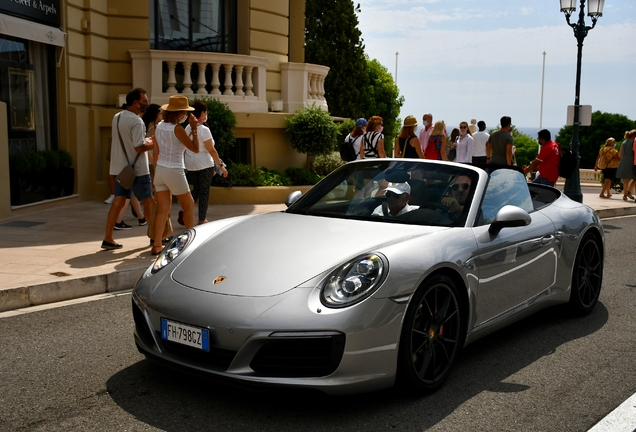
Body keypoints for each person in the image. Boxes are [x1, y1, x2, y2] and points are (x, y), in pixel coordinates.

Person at [101, 88, 154, 250]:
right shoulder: (137, 121)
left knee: (118, 201)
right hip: (137, 169)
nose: (147, 104)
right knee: (149, 202)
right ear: (135, 103)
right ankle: (155, 237)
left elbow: (129, 140)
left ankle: (108, 238)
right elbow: (139, 147)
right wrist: (152, 142)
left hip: (120, 168)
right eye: (144, 101)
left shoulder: (117, 117)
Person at [151, 95, 200, 255]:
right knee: (189, 206)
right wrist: (194, 128)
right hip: (174, 169)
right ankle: (190, 243)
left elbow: (156, 153)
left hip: (161, 170)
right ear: (179, 113)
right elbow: (195, 148)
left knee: (163, 209)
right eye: (185, 112)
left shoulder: (159, 126)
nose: (186, 115)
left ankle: (157, 244)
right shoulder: (177, 129)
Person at [184, 101, 228, 225]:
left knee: (196, 189)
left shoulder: (187, 128)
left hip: (191, 165)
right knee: (204, 192)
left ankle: (185, 210)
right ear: (202, 113)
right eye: (206, 112)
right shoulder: (204, 130)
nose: (206, 114)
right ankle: (202, 219)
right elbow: (212, 150)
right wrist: (221, 167)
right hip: (204, 165)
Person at [616, 129, 636, 201]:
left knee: (625, 180)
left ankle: (625, 195)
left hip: (623, 162)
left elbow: (620, 154)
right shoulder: (633, 142)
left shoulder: (624, 142)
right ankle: (629, 192)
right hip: (630, 161)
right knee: (635, 178)